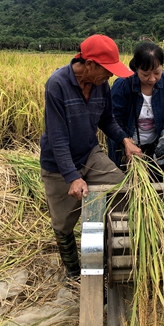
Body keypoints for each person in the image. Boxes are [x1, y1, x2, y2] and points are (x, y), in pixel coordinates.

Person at [39, 34, 142, 280]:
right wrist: (72, 177)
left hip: (89, 153)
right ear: (90, 64)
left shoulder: (101, 86)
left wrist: (126, 139)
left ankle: (115, 253)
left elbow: (107, 120)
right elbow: (58, 136)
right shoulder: (57, 84)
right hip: (58, 163)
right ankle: (74, 274)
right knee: (63, 223)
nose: (111, 76)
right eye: (107, 70)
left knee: (123, 188)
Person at [108, 42, 164, 181]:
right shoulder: (123, 84)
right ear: (136, 69)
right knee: (125, 188)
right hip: (126, 148)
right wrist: (126, 142)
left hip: (154, 147)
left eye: (157, 72)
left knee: (155, 186)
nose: (152, 79)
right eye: (145, 74)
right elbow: (113, 118)